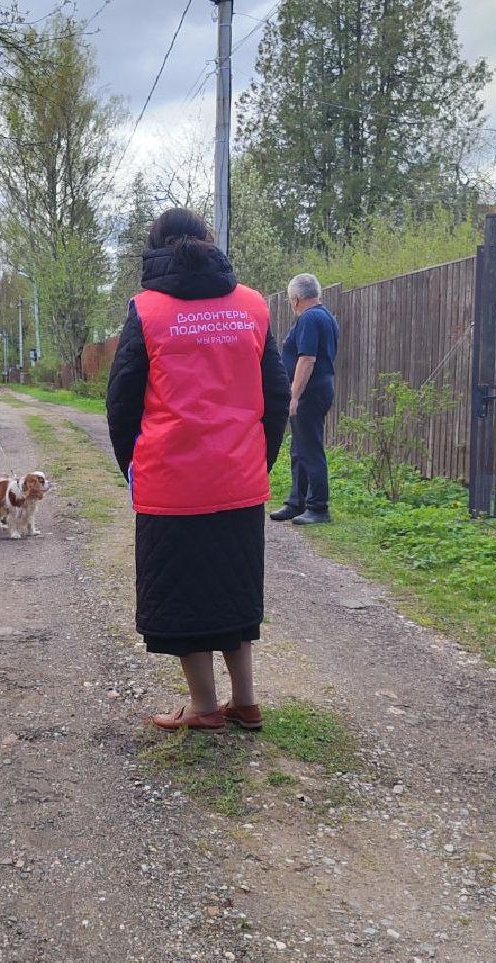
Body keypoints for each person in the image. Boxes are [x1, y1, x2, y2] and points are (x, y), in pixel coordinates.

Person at [105, 208, 291, 733]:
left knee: (186, 595)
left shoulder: (147, 311)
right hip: (238, 477)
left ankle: (205, 707)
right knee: (235, 587)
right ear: (210, 243)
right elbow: (275, 396)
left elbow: (122, 402)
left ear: (155, 247)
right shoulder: (252, 306)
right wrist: (258, 458)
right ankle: (246, 701)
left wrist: (134, 468)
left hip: (173, 482)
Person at [270, 273, 338, 524]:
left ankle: (318, 507)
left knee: (310, 449)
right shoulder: (325, 316)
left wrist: (295, 396)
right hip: (317, 389)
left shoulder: (310, 318)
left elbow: (307, 359)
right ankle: (297, 502)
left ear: (296, 298)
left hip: (310, 393)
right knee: (299, 448)